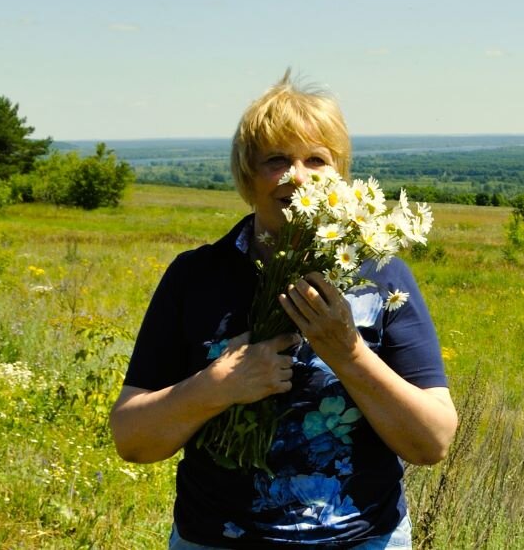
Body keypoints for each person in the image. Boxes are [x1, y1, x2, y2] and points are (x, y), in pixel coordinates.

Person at [110, 73, 457, 549]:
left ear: (341, 178)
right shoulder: (197, 277)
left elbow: (433, 442)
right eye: (276, 160)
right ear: (247, 178)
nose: (299, 177)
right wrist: (218, 385)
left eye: (317, 159)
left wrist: (349, 354)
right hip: (217, 539)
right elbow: (132, 439)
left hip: (361, 540)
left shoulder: (379, 278)